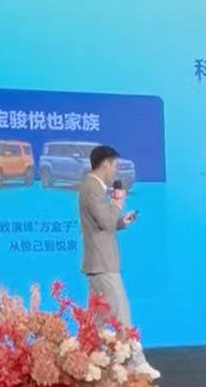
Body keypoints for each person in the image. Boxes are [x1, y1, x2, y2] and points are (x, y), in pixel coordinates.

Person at [78, 145, 160, 380]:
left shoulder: (93, 187)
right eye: (114, 164)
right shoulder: (92, 187)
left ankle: (91, 364)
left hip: (99, 263)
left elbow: (106, 222)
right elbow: (105, 221)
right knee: (121, 315)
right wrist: (117, 203)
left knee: (97, 321)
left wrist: (122, 220)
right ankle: (136, 362)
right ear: (105, 163)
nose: (115, 170)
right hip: (103, 264)